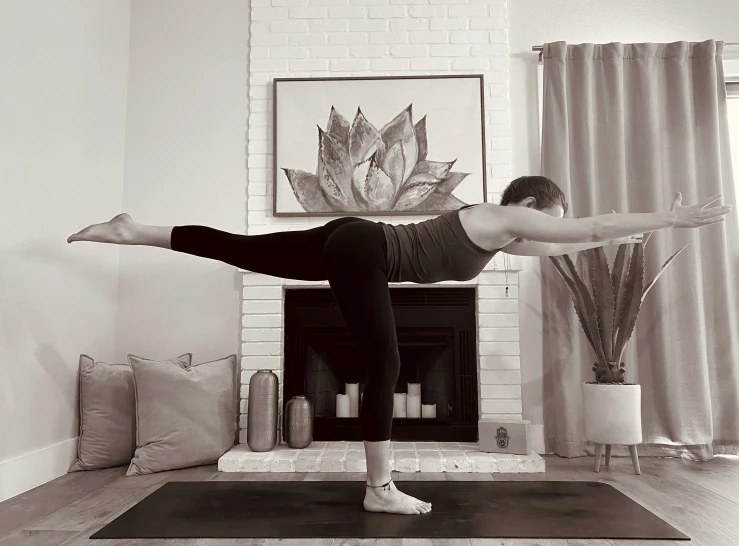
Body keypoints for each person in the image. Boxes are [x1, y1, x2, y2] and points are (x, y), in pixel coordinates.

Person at [67, 176, 731, 515]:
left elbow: (582, 235)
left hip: (352, 239)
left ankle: (135, 230)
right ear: (533, 204)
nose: (553, 227)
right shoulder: (507, 213)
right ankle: (379, 486)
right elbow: (586, 223)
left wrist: (623, 238)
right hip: (363, 247)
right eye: (551, 216)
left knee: (244, 249)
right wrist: (665, 216)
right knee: (382, 363)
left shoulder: (502, 234)